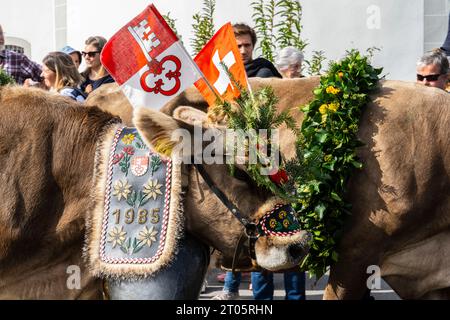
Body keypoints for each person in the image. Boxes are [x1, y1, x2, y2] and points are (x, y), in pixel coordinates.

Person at [212, 23, 282, 301]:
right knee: (235, 231)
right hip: (230, 160)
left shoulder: (263, 73)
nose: (243, 51)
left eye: (247, 46)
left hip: (260, 158)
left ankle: (263, 298)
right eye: (237, 46)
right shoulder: (222, 79)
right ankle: (229, 288)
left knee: (261, 227)